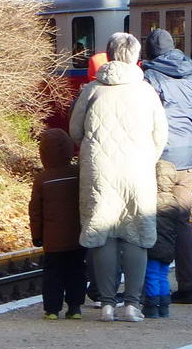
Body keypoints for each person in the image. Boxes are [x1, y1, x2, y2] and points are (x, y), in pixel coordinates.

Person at [70, 32, 167, 322]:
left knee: (102, 234)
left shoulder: (92, 90)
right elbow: (160, 136)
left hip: (99, 171)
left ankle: (108, 305)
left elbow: (75, 131)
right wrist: (145, 157)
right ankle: (132, 305)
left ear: (109, 56)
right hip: (137, 170)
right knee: (136, 236)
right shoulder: (146, 91)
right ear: (137, 58)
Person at [141, 28, 192, 305]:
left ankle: (147, 288)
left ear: (149, 52)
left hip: (157, 160)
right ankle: (190, 286)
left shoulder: (149, 78)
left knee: (149, 219)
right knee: (182, 223)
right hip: (186, 162)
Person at [28, 128, 86, 320]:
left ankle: (52, 310)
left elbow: (35, 210)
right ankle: (75, 307)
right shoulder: (78, 174)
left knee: (53, 274)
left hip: (52, 240)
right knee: (77, 271)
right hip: (78, 236)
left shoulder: (42, 179)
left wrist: (36, 235)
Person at [144, 160, 189, 318]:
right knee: (162, 276)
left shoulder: (149, 200)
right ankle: (164, 306)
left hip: (152, 246)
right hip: (168, 247)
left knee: (151, 276)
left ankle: (151, 306)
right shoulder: (174, 203)